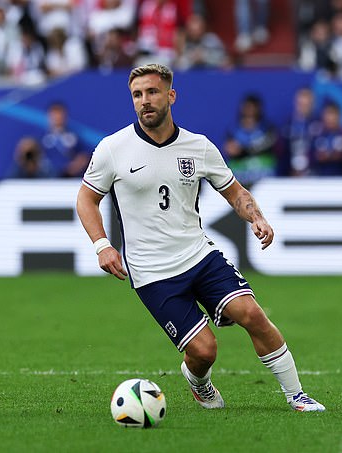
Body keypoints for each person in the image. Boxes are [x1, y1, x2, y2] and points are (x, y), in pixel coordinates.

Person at [76, 63, 325, 412]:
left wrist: (256, 216)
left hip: (198, 254)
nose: (144, 101)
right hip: (152, 271)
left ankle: (296, 395)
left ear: (171, 95)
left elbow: (235, 192)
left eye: (152, 92)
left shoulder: (199, 147)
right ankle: (198, 381)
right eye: (137, 95)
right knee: (204, 350)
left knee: (252, 313)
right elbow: (87, 198)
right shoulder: (113, 148)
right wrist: (102, 245)